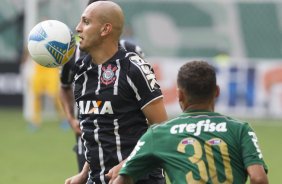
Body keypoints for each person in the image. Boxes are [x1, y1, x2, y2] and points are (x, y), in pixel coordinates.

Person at [113, 61, 269, 184]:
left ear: (180, 95)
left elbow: (122, 179)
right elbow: (258, 178)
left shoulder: (158, 134)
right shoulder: (240, 130)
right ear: (217, 91)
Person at [63, 1, 168, 184]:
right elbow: (99, 132)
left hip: (139, 179)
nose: (78, 28)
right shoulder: (81, 71)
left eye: (86, 22)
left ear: (105, 30)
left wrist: (128, 166)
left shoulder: (133, 68)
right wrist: (84, 173)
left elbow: (163, 132)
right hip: (96, 179)